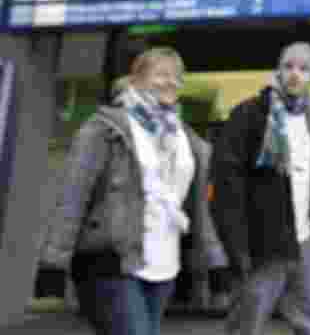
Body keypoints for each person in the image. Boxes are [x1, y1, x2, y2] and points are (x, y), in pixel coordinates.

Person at [41, 47, 222, 335]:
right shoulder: (105, 129)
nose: (171, 82)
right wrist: (54, 261)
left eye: (177, 77)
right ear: (136, 79)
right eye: (161, 74)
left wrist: (215, 261)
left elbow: (199, 207)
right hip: (111, 260)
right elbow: (73, 194)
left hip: (164, 263)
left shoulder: (184, 138)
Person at [210, 41, 310, 335]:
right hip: (262, 242)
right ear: (278, 71)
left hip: (306, 240)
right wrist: (236, 247)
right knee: (246, 323)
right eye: (288, 66)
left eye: (304, 68)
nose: (295, 74)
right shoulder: (249, 116)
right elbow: (227, 186)